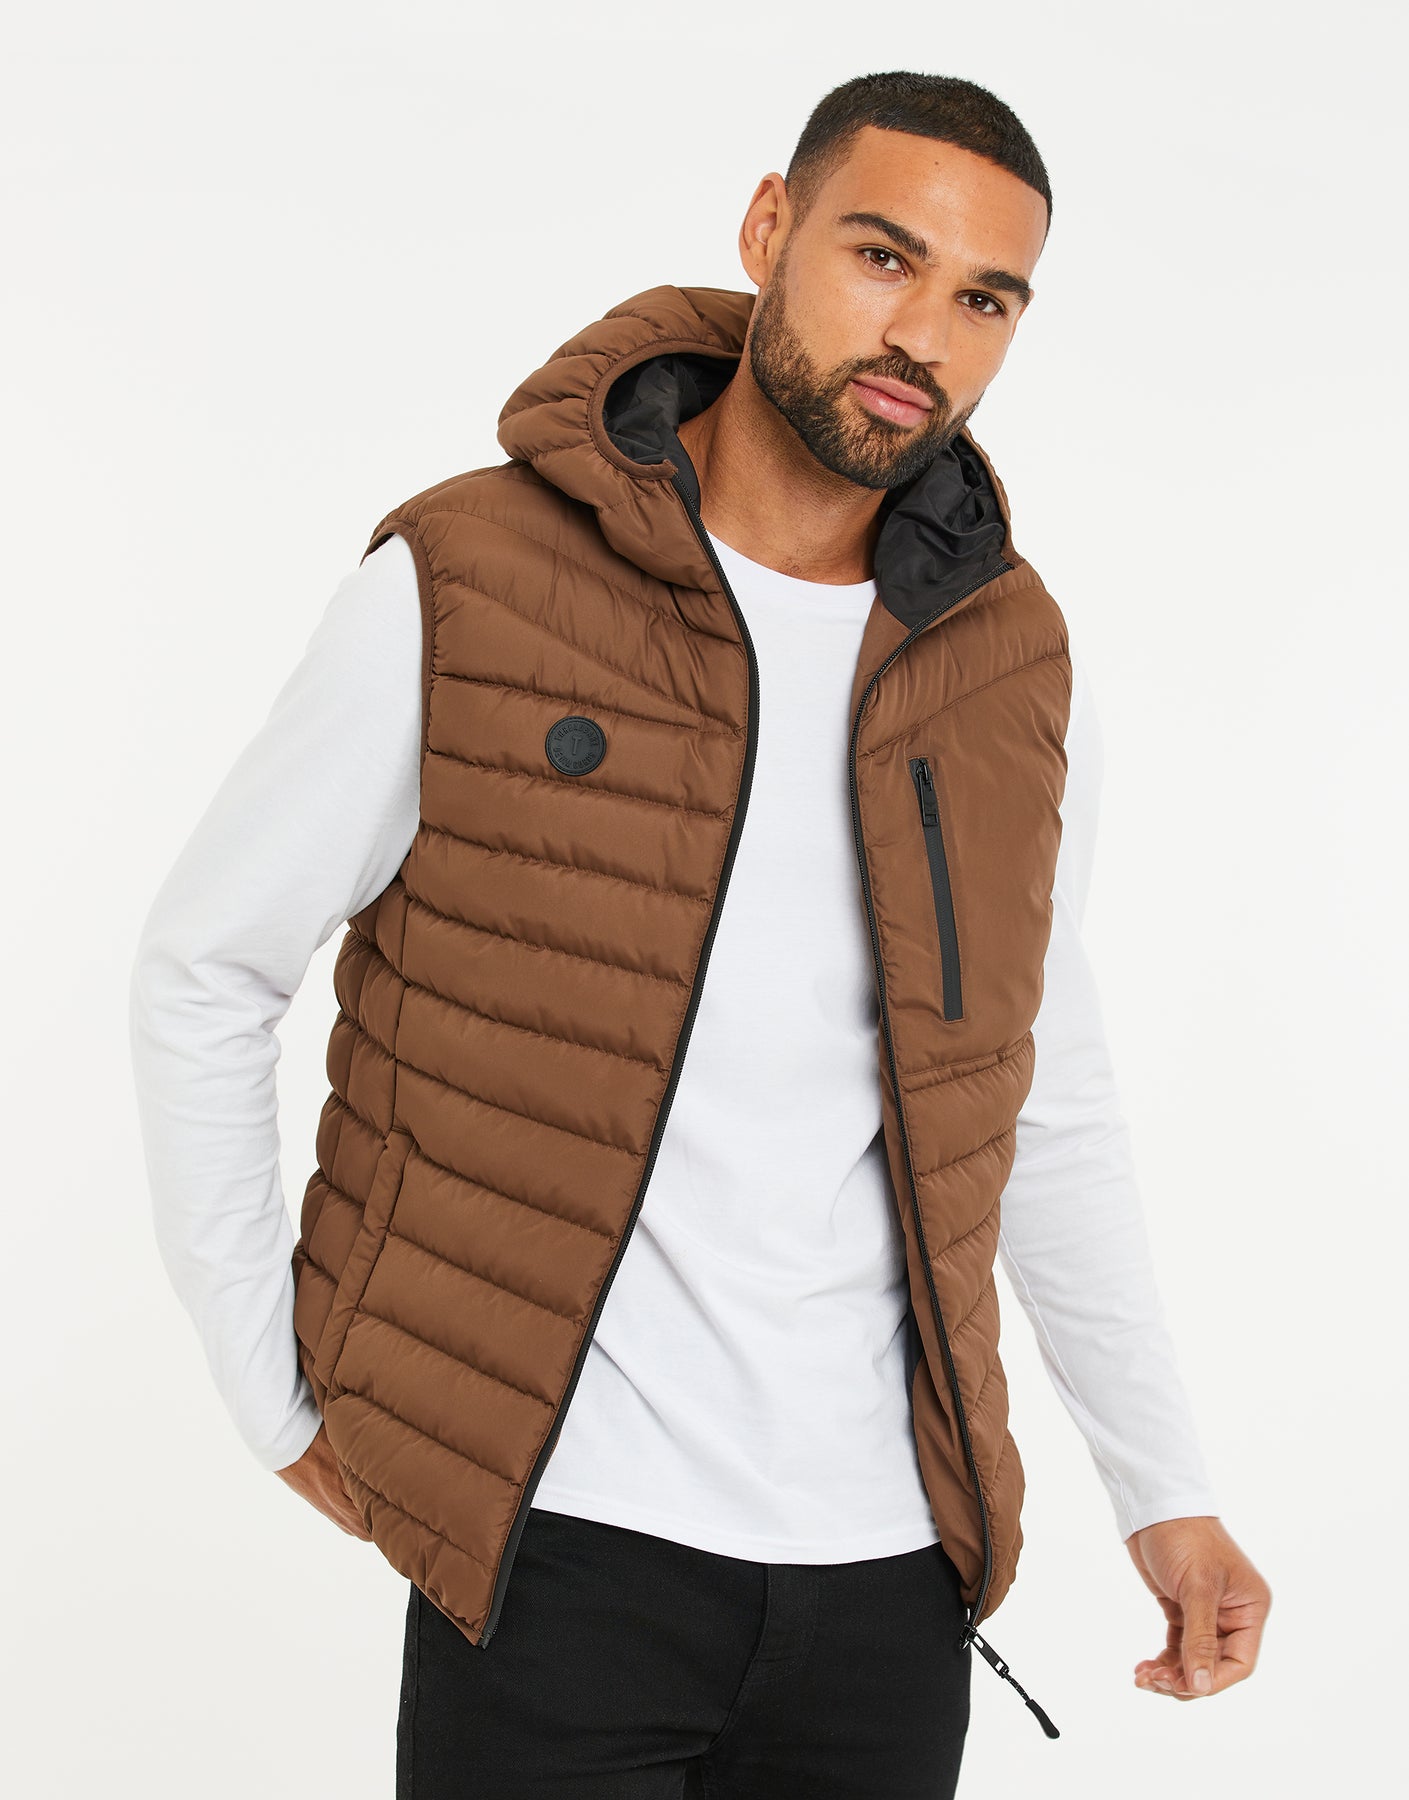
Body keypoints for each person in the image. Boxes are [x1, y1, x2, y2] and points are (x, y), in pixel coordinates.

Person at [129, 68, 1270, 1798]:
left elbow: (1038, 1088)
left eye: (983, 300)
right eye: (881, 257)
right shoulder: (471, 577)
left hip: (888, 1579)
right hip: (558, 1546)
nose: (923, 337)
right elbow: (207, 969)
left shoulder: (1006, 664)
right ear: (767, 228)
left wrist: (1161, 1487)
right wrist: (266, 1390)